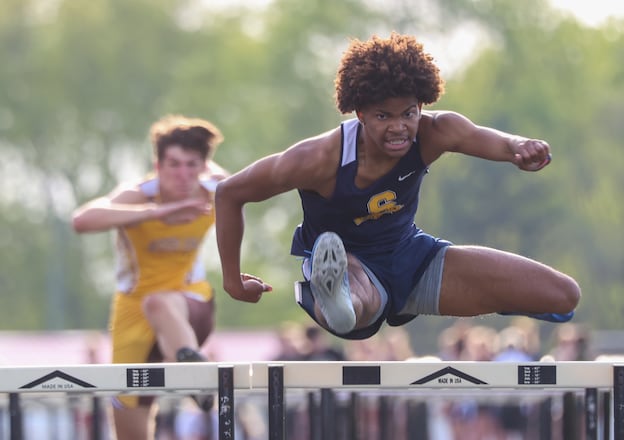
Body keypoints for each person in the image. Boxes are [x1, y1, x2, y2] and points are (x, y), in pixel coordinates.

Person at [215, 32, 580, 340]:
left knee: (563, 295)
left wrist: (519, 147)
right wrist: (233, 281)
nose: (399, 127)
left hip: (412, 257)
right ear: (359, 113)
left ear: (421, 105)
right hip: (354, 265)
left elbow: (492, 140)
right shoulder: (318, 159)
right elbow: (230, 193)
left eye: (408, 113)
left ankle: (350, 299)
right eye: (383, 116)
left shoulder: (434, 132)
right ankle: (336, 297)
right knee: (356, 294)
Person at [72, 114, 228, 440]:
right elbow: (82, 220)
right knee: (128, 426)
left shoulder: (212, 189)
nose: (183, 174)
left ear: (203, 166)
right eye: (173, 164)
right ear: (157, 166)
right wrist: (155, 212)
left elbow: (239, 184)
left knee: (159, 303)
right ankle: (188, 369)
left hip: (190, 304)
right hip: (132, 311)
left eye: (191, 165)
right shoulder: (138, 194)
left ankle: (193, 376)